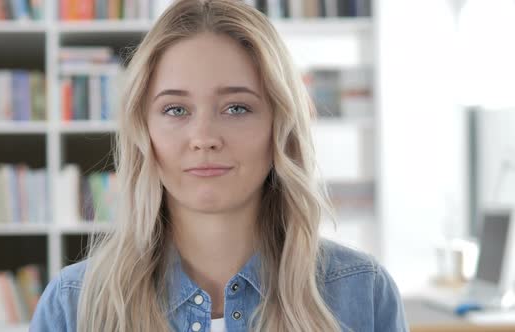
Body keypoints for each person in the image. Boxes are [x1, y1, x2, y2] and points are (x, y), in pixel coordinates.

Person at [31, 0, 408, 331]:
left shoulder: (363, 292)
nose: (204, 137)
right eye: (176, 109)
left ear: (280, 126)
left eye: (236, 108)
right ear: (144, 131)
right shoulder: (72, 305)